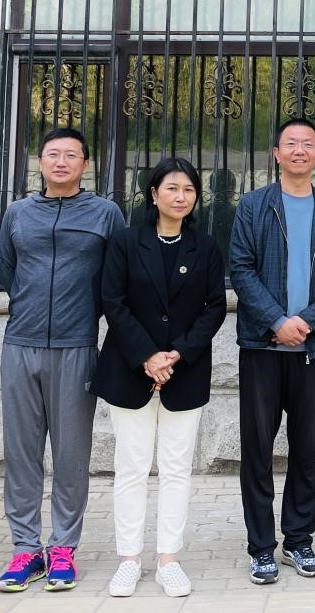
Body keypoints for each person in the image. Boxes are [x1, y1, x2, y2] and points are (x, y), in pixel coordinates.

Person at [0, 128, 125, 592]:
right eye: (53, 154)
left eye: (71, 155)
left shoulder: (105, 213)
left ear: (85, 165)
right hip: (20, 345)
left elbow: (117, 278)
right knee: (21, 452)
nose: (61, 161)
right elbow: (7, 270)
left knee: (71, 453)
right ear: (40, 161)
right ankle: (25, 549)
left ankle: (64, 547)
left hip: (76, 346)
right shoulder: (17, 213)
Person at [93, 157, 227, 596]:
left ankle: (169, 558)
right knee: (131, 467)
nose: (180, 196)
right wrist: (148, 356)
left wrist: (178, 354)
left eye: (188, 189)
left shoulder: (205, 247)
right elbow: (113, 302)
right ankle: (129, 559)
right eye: (171, 188)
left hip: (184, 372)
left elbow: (214, 306)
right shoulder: (125, 242)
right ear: (153, 193)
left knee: (176, 468)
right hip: (130, 369)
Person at [229, 118, 315, 585]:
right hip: (262, 347)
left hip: (312, 350)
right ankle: (261, 547)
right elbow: (241, 269)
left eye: (308, 144)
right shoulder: (253, 206)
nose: (299, 150)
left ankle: (299, 540)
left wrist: (309, 321)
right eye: (291, 143)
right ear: (276, 153)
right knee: (257, 451)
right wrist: (277, 321)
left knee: (307, 449)